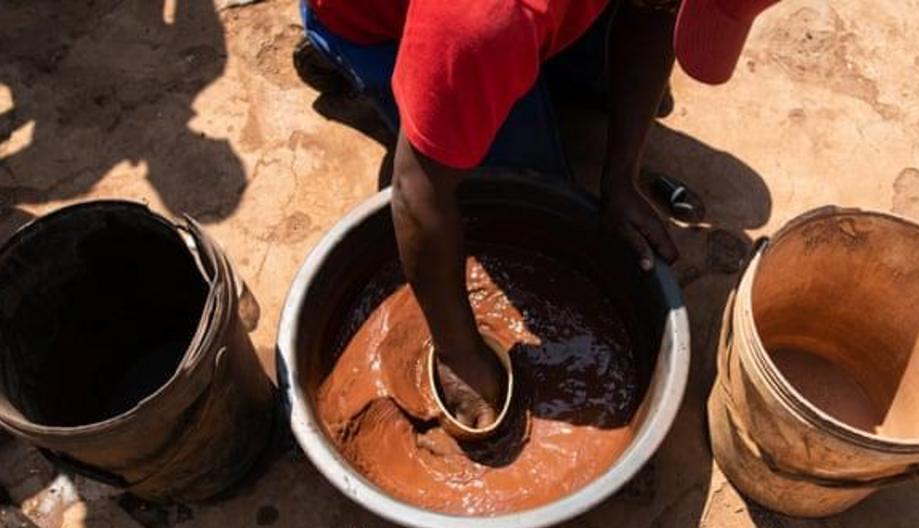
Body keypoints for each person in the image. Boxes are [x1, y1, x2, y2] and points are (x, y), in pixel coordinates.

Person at [303, 0, 779, 428]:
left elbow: (652, 15)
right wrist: (459, 352)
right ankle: (338, 53)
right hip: (372, 21)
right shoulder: (487, 19)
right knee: (526, 185)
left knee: (589, 84)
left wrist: (620, 179)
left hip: (488, 29)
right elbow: (415, 190)